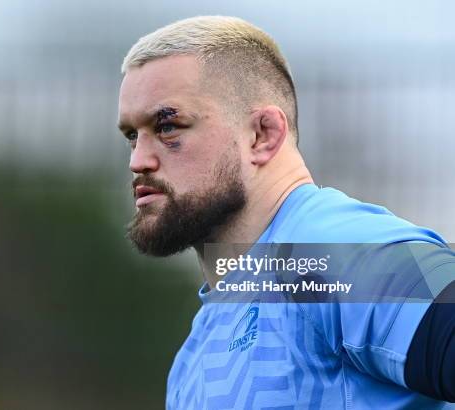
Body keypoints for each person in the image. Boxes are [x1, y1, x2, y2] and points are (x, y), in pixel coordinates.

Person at [117, 16, 454, 409]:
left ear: (262, 135)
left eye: (168, 126)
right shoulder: (191, 357)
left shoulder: (332, 252)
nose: (138, 160)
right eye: (131, 136)